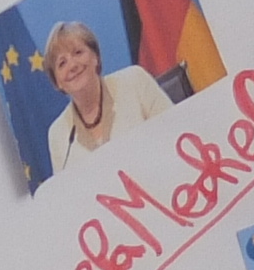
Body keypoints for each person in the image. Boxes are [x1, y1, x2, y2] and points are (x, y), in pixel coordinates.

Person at [41, 19, 170, 177]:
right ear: (57, 82)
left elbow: (174, 134)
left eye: (78, 53)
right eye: (62, 63)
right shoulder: (58, 134)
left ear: (95, 57)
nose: (72, 65)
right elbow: (69, 190)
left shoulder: (134, 81)